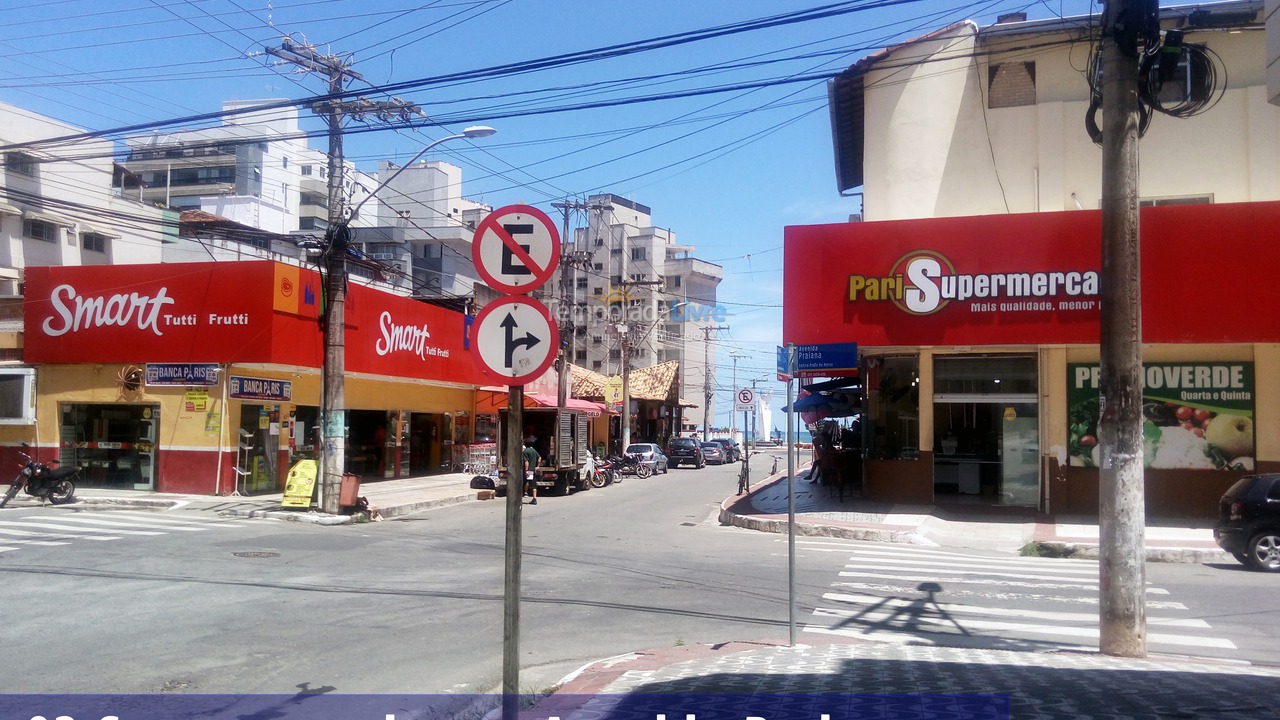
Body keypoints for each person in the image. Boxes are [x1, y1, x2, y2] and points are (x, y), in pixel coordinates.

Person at [522, 436, 540, 506]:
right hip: (533, 470)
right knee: (533, 484)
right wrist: (538, 466)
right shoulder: (534, 450)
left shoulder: (525, 451)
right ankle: (534, 498)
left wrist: (526, 469)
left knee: (527, 481)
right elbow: (540, 457)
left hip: (529, 471)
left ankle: (526, 493)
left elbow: (526, 461)